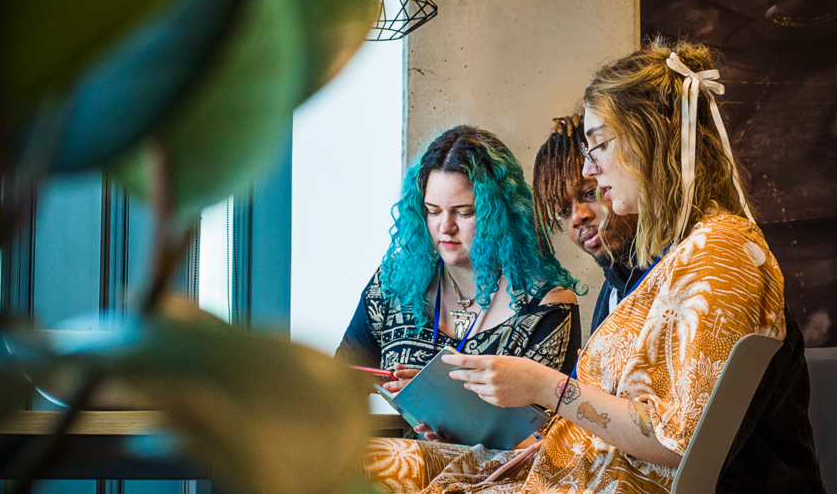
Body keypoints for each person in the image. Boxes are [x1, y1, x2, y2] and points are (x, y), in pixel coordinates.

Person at [363, 40, 823, 493]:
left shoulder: (721, 255)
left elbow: (681, 441)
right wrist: (544, 435)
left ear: (651, 137)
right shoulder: (669, 263)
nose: (591, 167)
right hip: (577, 464)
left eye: (599, 145)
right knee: (369, 460)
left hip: (612, 481)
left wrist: (546, 387)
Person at [336, 125, 582, 397]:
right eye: (432, 211)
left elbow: (546, 432)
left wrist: (440, 401)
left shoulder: (545, 307)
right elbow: (339, 383)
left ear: (500, 213)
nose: (445, 226)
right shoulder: (392, 282)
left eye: (464, 213)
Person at [533, 114, 639, 334]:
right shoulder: (612, 295)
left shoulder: (681, 266)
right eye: (563, 210)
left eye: (591, 192)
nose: (577, 217)